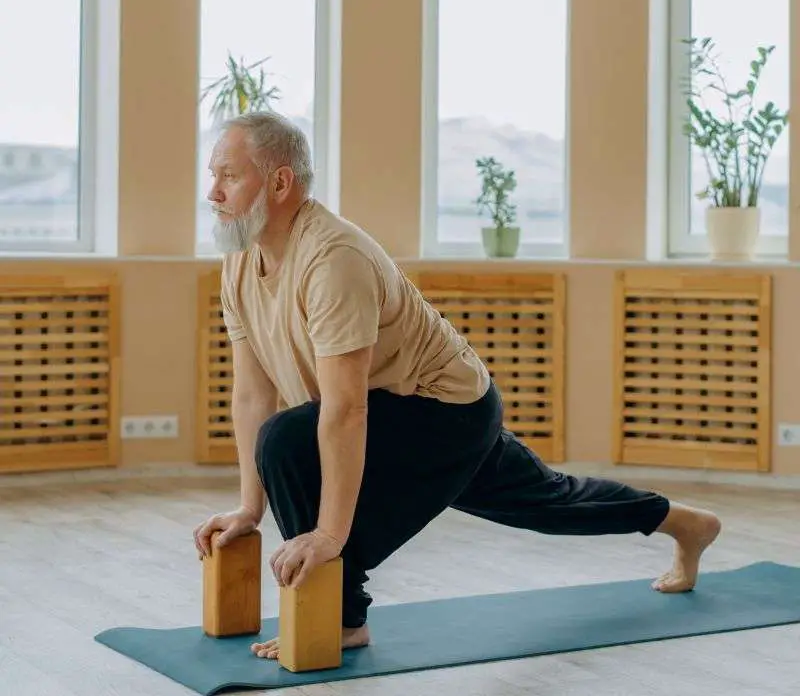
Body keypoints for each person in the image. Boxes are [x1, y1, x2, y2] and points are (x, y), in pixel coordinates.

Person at [193, 111, 721, 662]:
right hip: (406, 406)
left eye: (228, 176)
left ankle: (341, 616)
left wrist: (328, 538)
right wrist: (249, 509)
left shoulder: (333, 260)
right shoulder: (240, 263)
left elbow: (346, 411)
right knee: (549, 501)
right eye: (213, 175)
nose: (213, 191)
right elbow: (254, 393)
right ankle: (687, 524)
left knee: (287, 442)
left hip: (447, 409)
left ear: (280, 182)